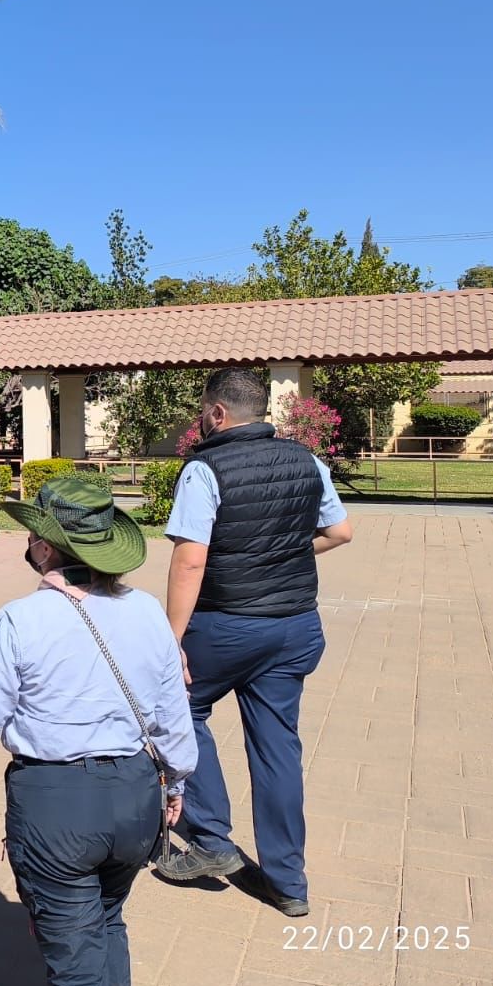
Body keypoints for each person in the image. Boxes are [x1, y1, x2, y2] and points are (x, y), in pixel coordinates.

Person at [0, 474, 195, 986]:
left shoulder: (18, 621)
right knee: (108, 919)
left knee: (74, 963)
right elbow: (172, 714)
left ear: (46, 548)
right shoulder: (146, 612)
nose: (27, 546)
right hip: (137, 796)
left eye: (31, 538)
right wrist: (176, 783)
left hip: (57, 809)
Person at [155, 368, 353, 918]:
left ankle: (212, 840)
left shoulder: (204, 468)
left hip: (226, 626)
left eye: (202, 410)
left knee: (179, 706)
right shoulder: (306, 460)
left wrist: (172, 640)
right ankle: (289, 882)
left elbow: (191, 557)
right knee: (278, 748)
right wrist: (283, 554)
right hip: (294, 627)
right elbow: (340, 532)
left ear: (217, 414)